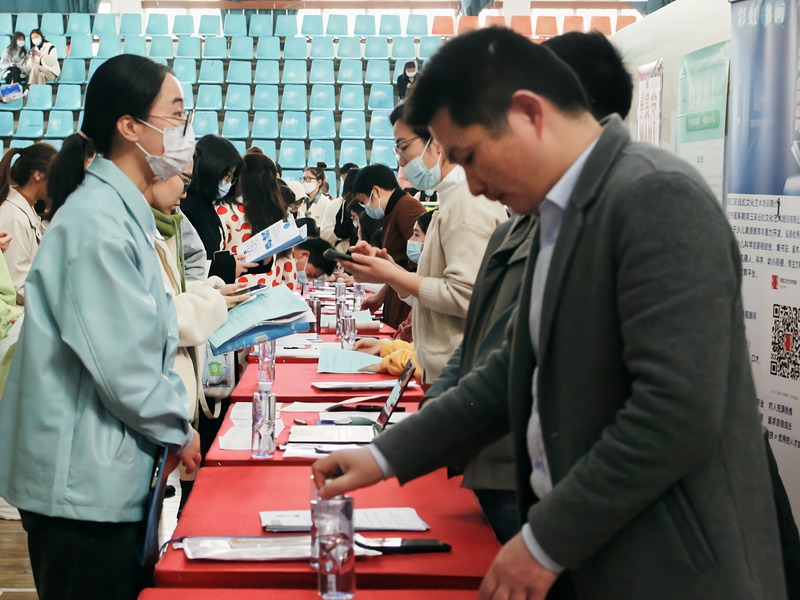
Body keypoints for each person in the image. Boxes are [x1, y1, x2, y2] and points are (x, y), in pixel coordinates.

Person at [313, 28, 785, 600]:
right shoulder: (557, 214)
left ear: (529, 113)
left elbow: (674, 412)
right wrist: (386, 453)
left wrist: (545, 543)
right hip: (592, 546)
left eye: (471, 157)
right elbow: (507, 367)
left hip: (668, 567)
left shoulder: (656, 197)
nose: (475, 185)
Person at [0, 54, 202, 600]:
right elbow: (124, 367)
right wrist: (179, 429)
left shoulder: (120, 214)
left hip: (102, 475)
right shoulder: (96, 223)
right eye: (176, 115)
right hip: (80, 490)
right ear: (130, 127)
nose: (184, 131)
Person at [346, 103, 508, 383]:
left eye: (404, 147)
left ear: (438, 142)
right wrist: (392, 272)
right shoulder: (452, 198)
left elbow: (464, 297)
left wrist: (393, 275)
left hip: (458, 376)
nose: (401, 162)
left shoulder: (467, 201)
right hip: (445, 371)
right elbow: (433, 296)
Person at [146, 162, 247, 514]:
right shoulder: (119, 230)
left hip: (167, 402)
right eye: (182, 179)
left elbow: (176, 288)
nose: (184, 192)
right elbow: (160, 316)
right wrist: (214, 300)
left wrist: (213, 289)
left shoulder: (164, 220)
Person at [351, 165, 426, 329]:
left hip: (408, 297)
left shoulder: (408, 208)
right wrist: (380, 297)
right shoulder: (393, 210)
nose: (366, 208)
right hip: (398, 293)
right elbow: (394, 266)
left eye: (364, 202)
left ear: (376, 191)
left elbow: (420, 259)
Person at [182, 135, 256, 284]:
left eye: (231, 178)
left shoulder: (206, 206)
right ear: (211, 169)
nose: (228, 183)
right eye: (226, 176)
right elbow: (190, 265)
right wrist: (227, 267)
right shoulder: (186, 206)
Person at [0, 143, 57, 304]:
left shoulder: (28, 207)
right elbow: (17, 286)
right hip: (18, 312)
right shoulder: (13, 216)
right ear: (38, 175)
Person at [321, 164, 360, 251]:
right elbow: (324, 233)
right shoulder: (335, 204)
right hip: (341, 249)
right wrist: (344, 233)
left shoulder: (367, 205)